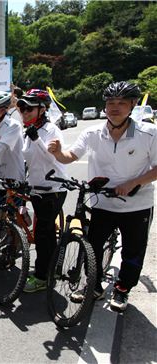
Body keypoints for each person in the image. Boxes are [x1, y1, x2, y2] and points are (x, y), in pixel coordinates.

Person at [48, 81, 157, 312]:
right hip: (103, 202)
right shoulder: (92, 133)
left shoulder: (148, 133)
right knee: (93, 247)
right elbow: (71, 156)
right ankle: (94, 287)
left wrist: (134, 183)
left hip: (137, 205)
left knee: (132, 251)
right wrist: (58, 153)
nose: (114, 108)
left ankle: (122, 289)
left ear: (133, 105)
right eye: (110, 103)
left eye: (121, 103)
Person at [18, 89, 68, 293]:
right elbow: (28, 160)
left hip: (53, 189)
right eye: (22, 109)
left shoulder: (51, 130)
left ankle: (42, 277)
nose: (25, 112)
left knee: (43, 234)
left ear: (42, 109)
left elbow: (52, 159)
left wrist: (37, 139)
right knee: (44, 233)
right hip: (37, 189)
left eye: (29, 108)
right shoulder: (28, 131)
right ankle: (51, 270)